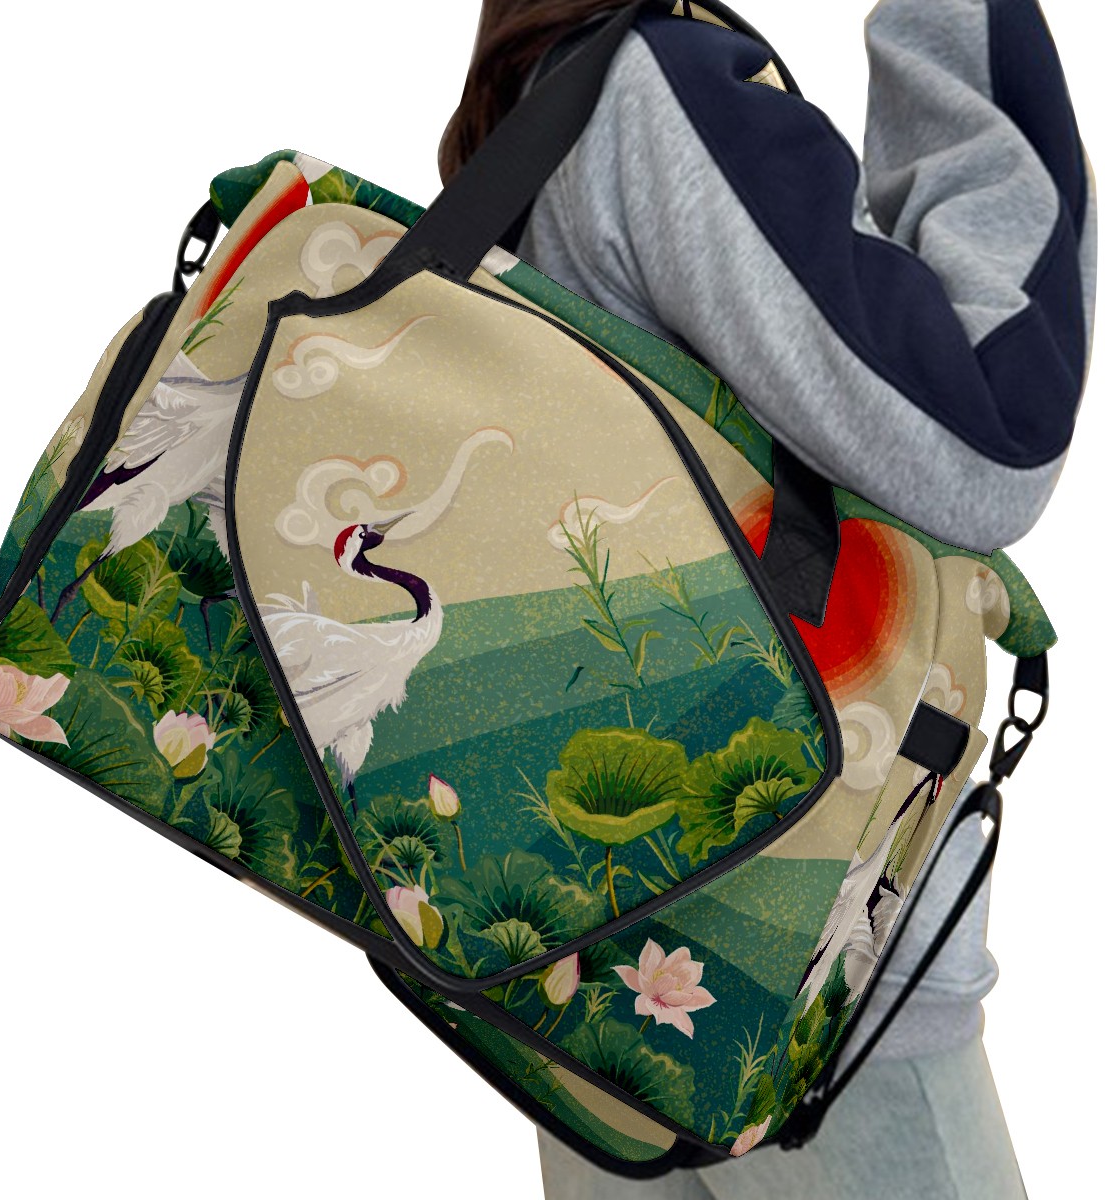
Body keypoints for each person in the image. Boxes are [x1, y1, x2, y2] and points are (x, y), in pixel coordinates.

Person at [439, 2, 1095, 1197]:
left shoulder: (533, 120)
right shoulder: (661, 90)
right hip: (802, 989)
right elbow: (991, 434)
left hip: (586, 974)